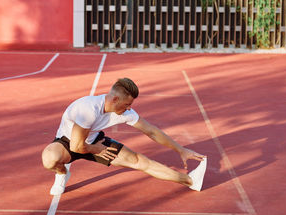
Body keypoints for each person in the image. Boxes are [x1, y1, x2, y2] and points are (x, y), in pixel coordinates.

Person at [42, 78, 207, 195]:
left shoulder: (124, 111)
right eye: (127, 104)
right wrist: (97, 149)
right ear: (115, 99)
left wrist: (180, 149)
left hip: (94, 142)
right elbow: (76, 147)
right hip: (68, 143)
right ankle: (62, 174)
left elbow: (151, 131)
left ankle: (190, 181)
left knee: (140, 162)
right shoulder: (88, 109)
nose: (129, 108)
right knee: (50, 159)